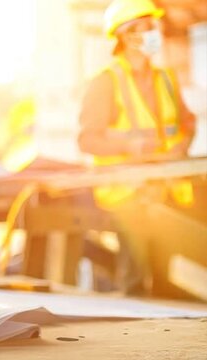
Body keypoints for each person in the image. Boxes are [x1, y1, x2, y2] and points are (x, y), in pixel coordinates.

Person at [78, 0, 196, 294]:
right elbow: (87, 140)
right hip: (126, 194)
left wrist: (179, 148)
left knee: (165, 279)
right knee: (135, 280)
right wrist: (133, 146)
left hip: (165, 188)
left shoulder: (166, 79)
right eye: (145, 28)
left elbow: (187, 124)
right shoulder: (105, 82)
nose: (153, 33)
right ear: (126, 35)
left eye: (153, 26)